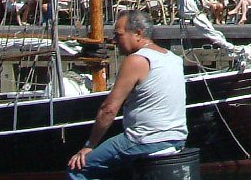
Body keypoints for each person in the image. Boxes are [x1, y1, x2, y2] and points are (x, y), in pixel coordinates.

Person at [67, 10, 186, 180]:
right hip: (177, 138)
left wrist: (89, 146)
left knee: (79, 169)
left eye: (118, 35)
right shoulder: (174, 58)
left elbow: (109, 109)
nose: (115, 41)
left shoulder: (137, 60)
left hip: (146, 140)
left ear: (138, 33)